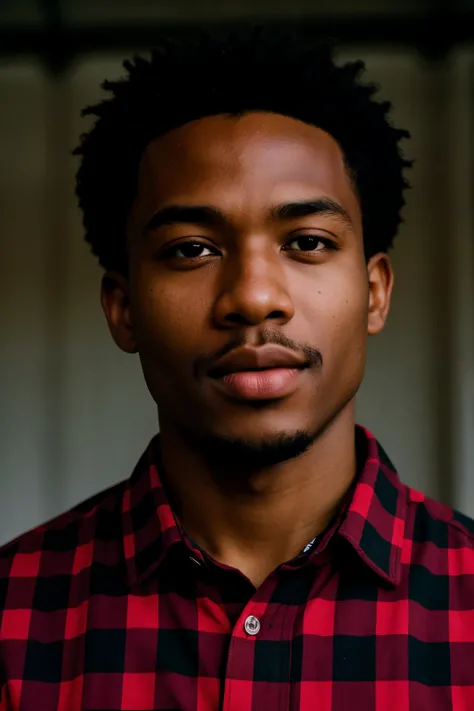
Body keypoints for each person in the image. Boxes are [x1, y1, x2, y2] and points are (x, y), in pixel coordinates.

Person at [1, 26, 473, 711]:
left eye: (307, 242)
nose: (254, 296)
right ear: (123, 306)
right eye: (192, 249)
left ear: (375, 292)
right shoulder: (14, 619)